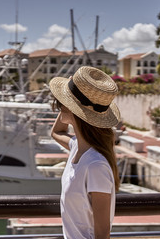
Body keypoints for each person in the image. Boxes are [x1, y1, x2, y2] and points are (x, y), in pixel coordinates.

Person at [49, 66, 121, 239]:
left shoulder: (96, 165)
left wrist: (71, 102)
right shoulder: (77, 147)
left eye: (61, 103)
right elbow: (56, 133)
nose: (59, 105)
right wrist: (70, 103)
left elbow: (103, 233)